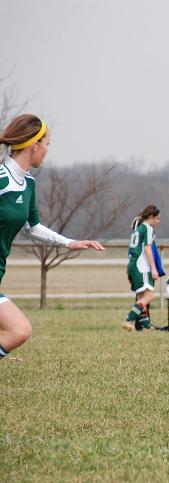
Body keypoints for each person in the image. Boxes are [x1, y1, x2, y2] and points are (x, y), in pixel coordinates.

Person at [0, 114, 104, 358]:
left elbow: (33, 226)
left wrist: (70, 243)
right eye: (47, 144)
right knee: (19, 330)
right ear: (34, 144)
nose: (47, 150)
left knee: (20, 331)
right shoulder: (2, 179)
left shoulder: (28, 184)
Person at [124, 205, 161, 331]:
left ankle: (144, 324)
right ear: (151, 217)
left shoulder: (138, 228)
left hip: (133, 264)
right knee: (149, 296)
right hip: (142, 266)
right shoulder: (147, 228)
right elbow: (147, 248)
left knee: (141, 296)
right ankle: (129, 318)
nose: (158, 221)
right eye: (157, 218)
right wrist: (154, 268)